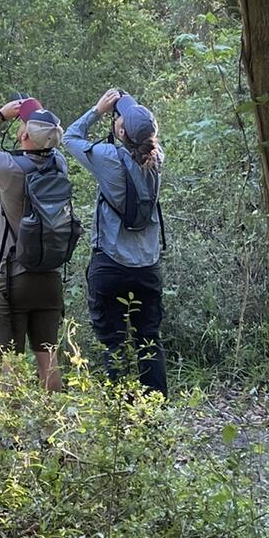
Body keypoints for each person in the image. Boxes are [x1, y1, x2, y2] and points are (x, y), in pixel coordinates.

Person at [64, 86, 167, 396]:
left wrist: (97, 111)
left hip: (110, 263)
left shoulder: (108, 157)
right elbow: (143, 138)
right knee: (149, 339)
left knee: (115, 343)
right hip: (148, 266)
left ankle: (120, 416)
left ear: (120, 130)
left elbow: (69, 138)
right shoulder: (158, 157)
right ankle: (156, 414)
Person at [0, 96, 69, 391]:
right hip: (49, 276)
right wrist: (34, 117)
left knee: (10, 362)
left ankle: (14, 435)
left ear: (22, 135)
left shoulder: (10, 168)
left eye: (23, 125)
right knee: (48, 358)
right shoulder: (59, 164)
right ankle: (54, 428)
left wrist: (0, 115)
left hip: (11, 279)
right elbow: (44, 139)